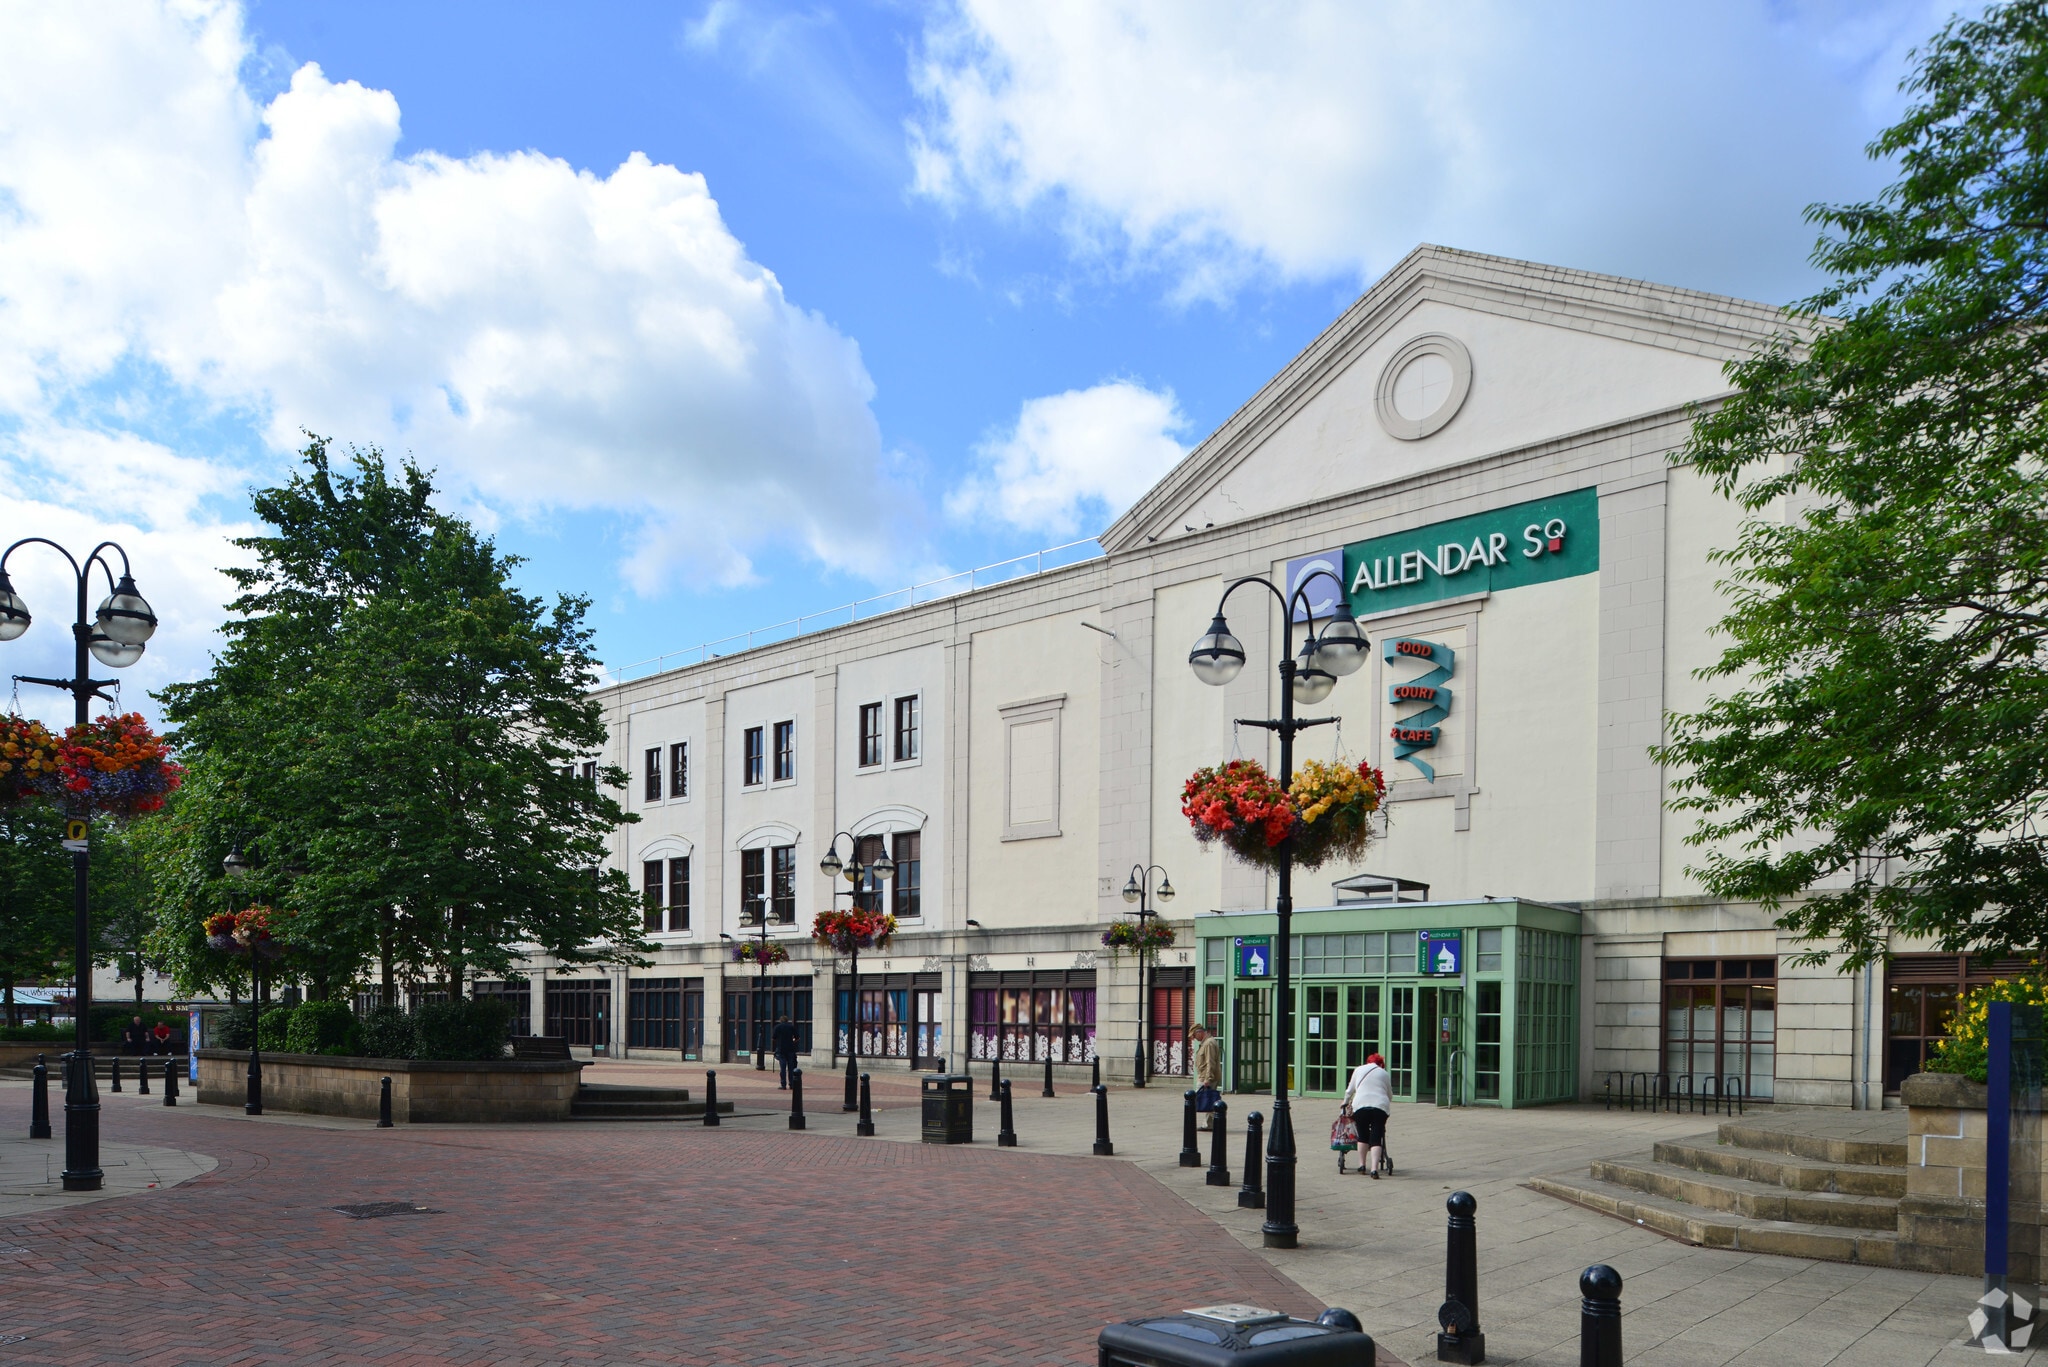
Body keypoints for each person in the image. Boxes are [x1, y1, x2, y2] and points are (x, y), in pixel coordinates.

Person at [1341, 1051, 1393, 1178]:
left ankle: (1362, 1165)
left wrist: (1345, 1102)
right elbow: (1389, 1094)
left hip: (1361, 1105)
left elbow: (1350, 1090)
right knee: (1376, 1137)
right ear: (1381, 1064)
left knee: (1363, 1135)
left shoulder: (1358, 1070)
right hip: (1380, 1106)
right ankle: (1374, 1169)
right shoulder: (1384, 1073)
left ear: (1368, 1061)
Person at [1191, 1021, 1223, 1129]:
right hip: (1205, 1075)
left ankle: (1218, 1119)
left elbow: (1210, 1062)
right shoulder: (1207, 1042)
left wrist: (1207, 1079)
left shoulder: (1208, 1043)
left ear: (1199, 1032)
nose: (1193, 1038)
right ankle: (1209, 1124)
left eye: (1194, 1035)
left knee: (1196, 1100)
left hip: (1206, 1077)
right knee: (1209, 1099)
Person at [770, 1014, 798, 1090]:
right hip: (790, 1049)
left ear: (780, 1020)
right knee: (791, 1067)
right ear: (787, 1020)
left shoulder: (777, 1027)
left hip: (781, 1049)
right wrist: (793, 1042)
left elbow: (773, 1038)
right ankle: (792, 1084)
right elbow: (797, 1038)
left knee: (782, 1068)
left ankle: (783, 1084)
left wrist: (778, 1042)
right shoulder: (791, 1027)